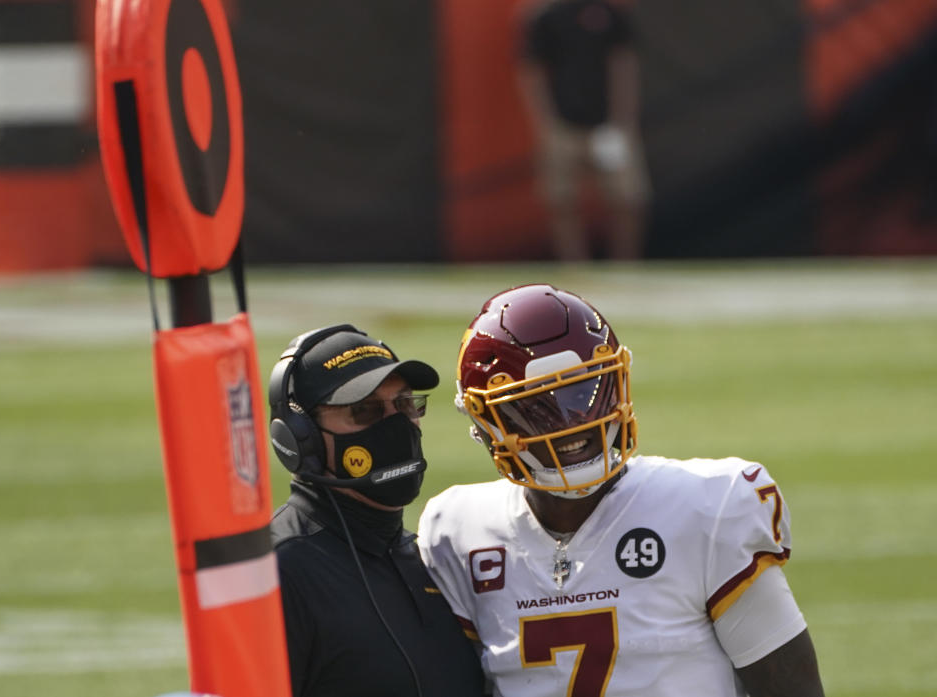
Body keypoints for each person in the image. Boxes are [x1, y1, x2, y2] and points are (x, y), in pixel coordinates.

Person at [417, 285, 825, 697]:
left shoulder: (707, 508)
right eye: (535, 407)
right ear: (486, 425)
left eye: (583, 392)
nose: (571, 422)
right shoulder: (458, 532)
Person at [266, 324, 485, 697]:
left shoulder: (430, 558)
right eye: (364, 411)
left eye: (403, 404)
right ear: (302, 438)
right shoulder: (276, 572)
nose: (397, 425)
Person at [518, 0, 651, 261]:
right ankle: (575, 266)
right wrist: (546, 120)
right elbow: (531, 72)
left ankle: (626, 265)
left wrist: (621, 118)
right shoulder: (544, 15)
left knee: (628, 198)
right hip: (563, 125)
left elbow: (623, 64)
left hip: (609, 125)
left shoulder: (609, 12)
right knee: (561, 200)